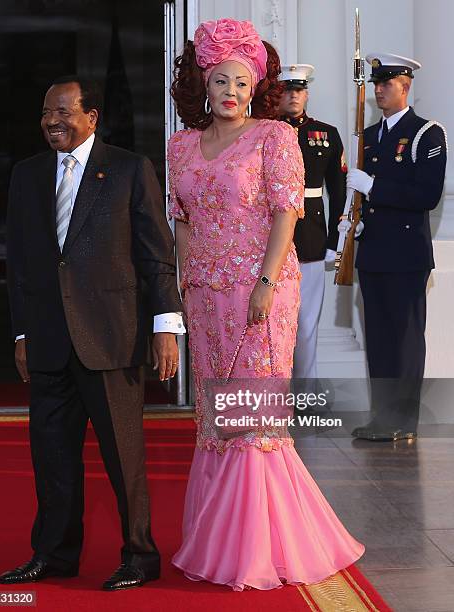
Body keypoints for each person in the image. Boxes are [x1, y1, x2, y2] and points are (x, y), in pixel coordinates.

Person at [168, 19, 364, 591]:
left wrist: (267, 283)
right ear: (202, 85)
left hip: (259, 294)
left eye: (241, 82)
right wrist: (185, 276)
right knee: (217, 419)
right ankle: (215, 537)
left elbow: (287, 213)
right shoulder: (181, 145)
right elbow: (180, 217)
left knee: (252, 419)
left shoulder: (274, 138)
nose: (230, 91)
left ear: (256, 88)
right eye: (220, 80)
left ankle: (257, 548)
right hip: (204, 297)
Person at [2, 75, 184, 590]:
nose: (51, 122)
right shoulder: (26, 175)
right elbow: (19, 264)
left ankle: (140, 558)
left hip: (111, 338)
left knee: (124, 460)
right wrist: (21, 335)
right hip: (48, 342)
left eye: (62, 112)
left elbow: (155, 254)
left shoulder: (128, 169)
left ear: (91, 117)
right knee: (52, 458)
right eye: (45, 113)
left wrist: (166, 326)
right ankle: (54, 555)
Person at [347, 54, 447, 441]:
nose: (378, 90)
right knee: (380, 340)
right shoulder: (368, 137)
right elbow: (362, 200)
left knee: (405, 339)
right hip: (372, 251)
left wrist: (374, 187)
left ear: (405, 87)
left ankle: (404, 421)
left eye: (386, 84)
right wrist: (350, 220)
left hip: (406, 254)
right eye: (375, 84)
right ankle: (382, 417)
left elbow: (427, 195)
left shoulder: (426, 134)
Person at [278, 65, 347, 380]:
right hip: (269, 239)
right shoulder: (260, 131)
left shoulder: (326, 134)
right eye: (287, 89)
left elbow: (339, 190)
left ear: (307, 93)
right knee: (272, 322)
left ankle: (306, 389)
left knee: (307, 323)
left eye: (299, 89)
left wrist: (334, 240)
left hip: (311, 237)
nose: (293, 95)